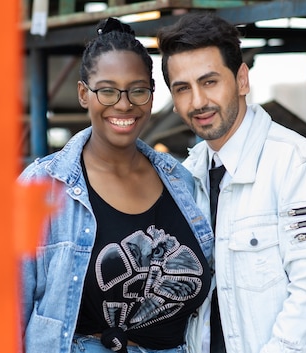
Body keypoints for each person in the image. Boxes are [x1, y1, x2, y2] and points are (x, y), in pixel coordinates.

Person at [156, 12, 306, 353]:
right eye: (183, 88)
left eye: (210, 81)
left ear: (242, 80)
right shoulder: (186, 176)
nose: (198, 101)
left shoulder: (299, 166)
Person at [18, 17, 214, 353]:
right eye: (108, 90)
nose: (124, 104)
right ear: (84, 94)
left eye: (138, 90)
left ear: (152, 95)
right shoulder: (41, 187)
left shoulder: (183, 182)